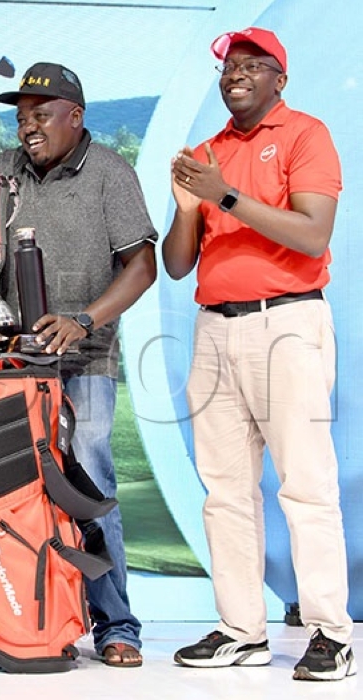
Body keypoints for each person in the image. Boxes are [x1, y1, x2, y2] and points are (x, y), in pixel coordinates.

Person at [163, 28, 356, 682]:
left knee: (305, 486)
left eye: (252, 65)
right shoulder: (208, 151)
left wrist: (223, 195)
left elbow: (313, 233)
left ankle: (333, 631)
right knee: (225, 491)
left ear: (280, 78)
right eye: (228, 67)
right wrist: (189, 207)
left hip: (288, 323)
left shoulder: (305, 134)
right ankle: (241, 630)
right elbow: (177, 262)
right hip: (214, 328)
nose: (235, 75)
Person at [0, 62, 157, 668]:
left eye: (40, 115)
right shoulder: (2, 168)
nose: (28, 127)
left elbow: (143, 265)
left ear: (76, 116)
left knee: (90, 486)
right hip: (13, 369)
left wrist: (85, 321)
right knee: (13, 496)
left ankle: (116, 625)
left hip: (85, 362)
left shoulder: (110, 174)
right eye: (21, 117)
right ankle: (33, 618)